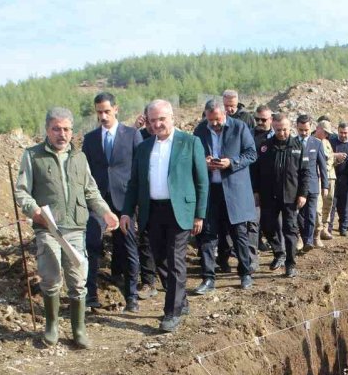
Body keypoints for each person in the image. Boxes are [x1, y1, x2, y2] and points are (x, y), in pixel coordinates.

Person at [16, 107, 119, 349]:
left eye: (66, 129)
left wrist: (106, 212)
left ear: (72, 131)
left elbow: (90, 191)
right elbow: (22, 191)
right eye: (56, 129)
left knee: (77, 280)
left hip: (75, 228)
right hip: (48, 229)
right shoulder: (33, 156)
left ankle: (78, 329)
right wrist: (34, 211)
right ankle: (51, 326)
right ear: (47, 130)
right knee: (51, 278)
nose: (62, 134)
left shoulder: (79, 158)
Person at [121, 100, 209, 333]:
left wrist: (199, 214)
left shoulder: (190, 143)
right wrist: (126, 212)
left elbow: (202, 181)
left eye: (161, 119)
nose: (157, 124)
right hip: (152, 211)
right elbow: (134, 183)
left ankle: (172, 312)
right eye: (152, 120)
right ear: (147, 122)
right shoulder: (144, 147)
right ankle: (181, 300)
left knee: (175, 259)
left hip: (180, 211)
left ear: (172, 117)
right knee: (159, 259)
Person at [81, 93, 152, 313]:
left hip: (125, 203)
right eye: (99, 112)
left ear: (116, 109)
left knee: (129, 247)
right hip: (98, 202)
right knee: (91, 245)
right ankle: (91, 295)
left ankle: (131, 296)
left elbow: (142, 169)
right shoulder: (90, 139)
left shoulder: (131, 135)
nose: (103, 116)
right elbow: (85, 173)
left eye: (106, 111)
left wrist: (138, 202)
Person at [192, 98, 257, 294]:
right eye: (211, 120)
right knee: (207, 235)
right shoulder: (200, 130)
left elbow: (251, 154)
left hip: (234, 190)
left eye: (218, 119)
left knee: (239, 234)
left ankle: (245, 273)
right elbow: (193, 157)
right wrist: (204, 162)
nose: (215, 124)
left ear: (225, 114)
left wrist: (232, 162)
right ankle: (208, 278)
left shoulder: (239, 127)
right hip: (210, 191)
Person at [252, 114, 308, 277]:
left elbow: (305, 172)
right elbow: (256, 171)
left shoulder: (297, 146)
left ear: (290, 128)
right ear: (273, 127)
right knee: (268, 227)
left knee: (290, 230)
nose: (281, 133)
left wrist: (302, 194)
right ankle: (279, 253)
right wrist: (256, 191)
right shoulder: (265, 147)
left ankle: (290, 263)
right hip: (269, 195)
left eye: (284, 129)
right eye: (278, 130)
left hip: (290, 196)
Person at [294, 115, 328, 252]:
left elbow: (322, 166)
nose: (304, 133)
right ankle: (302, 238)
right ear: (296, 127)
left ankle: (308, 240)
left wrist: (325, 185)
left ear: (311, 127)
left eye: (306, 130)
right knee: (299, 215)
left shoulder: (317, 143)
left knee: (311, 214)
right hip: (297, 186)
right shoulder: (292, 143)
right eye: (301, 130)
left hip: (313, 185)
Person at [248, 105, 274, 266]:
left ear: (270, 120)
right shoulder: (249, 136)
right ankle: (252, 258)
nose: (259, 122)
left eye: (263, 120)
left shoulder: (276, 136)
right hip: (253, 184)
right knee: (253, 222)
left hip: (271, 186)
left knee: (272, 222)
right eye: (257, 119)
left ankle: (279, 252)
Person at [329, 122, 348, 236]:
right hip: (333, 179)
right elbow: (326, 155)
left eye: (345, 133)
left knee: (345, 205)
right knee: (332, 205)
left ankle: (343, 227)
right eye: (341, 133)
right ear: (338, 131)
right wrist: (336, 156)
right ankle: (329, 229)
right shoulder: (332, 143)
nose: (343, 135)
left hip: (347, 180)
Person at [313, 120, 337, 242]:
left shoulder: (326, 142)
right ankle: (317, 230)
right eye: (325, 132)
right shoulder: (312, 142)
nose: (327, 135)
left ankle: (325, 228)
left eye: (328, 133)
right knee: (318, 205)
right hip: (318, 177)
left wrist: (335, 159)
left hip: (330, 175)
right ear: (318, 129)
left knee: (329, 201)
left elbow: (331, 157)